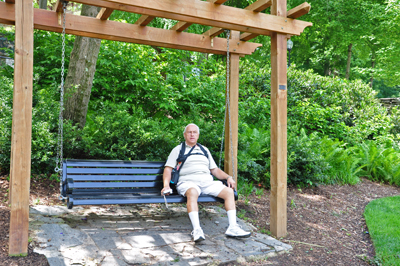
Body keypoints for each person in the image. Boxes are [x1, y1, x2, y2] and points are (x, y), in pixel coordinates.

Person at [161, 123, 251, 242]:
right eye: (189, 132)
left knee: (229, 192)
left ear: (198, 135)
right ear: (184, 135)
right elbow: (168, 168)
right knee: (192, 192)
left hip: (207, 183)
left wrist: (228, 177)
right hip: (188, 182)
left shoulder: (204, 150)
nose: (192, 134)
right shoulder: (178, 150)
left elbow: (214, 170)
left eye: (194, 132)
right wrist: (166, 185)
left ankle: (233, 227)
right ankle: (197, 230)